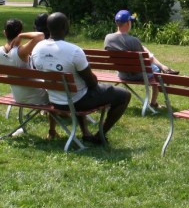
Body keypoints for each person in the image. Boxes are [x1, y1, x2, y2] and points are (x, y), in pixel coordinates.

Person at [30, 12, 130, 144]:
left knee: (79, 88)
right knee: (124, 95)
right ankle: (100, 134)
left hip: (54, 99)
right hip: (77, 101)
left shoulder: (37, 48)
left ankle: (86, 132)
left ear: (48, 28)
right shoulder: (74, 51)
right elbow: (92, 82)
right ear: (66, 27)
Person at [0, 18, 48, 106]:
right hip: (37, 97)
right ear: (20, 32)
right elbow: (40, 36)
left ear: (5, 33)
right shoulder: (22, 51)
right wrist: (21, 36)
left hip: (18, 97)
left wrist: (0, 63)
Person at [103, 9, 179, 80]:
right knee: (156, 68)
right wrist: (152, 58)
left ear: (117, 23)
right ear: (128, 23)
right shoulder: (133, 41)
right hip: (138, 75)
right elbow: (147, 59)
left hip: (122, 74)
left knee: (144, 48)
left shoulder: (108, 38)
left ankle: (164, 67)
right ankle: (164, 68)